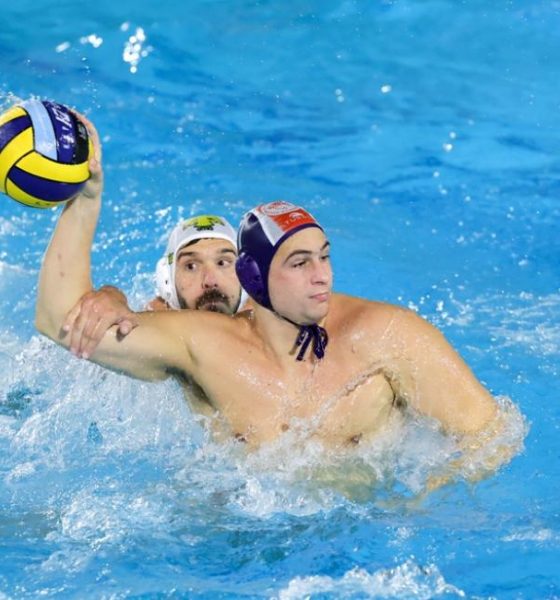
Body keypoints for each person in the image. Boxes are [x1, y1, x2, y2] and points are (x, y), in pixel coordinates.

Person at [35, 115, 503, 456]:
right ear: (254, 278)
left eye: (324, 257)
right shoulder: (204, 347)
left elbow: (491, 436)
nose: (322, 275)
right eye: (300, 263)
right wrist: (87, 201)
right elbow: (60, 319)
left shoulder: (386, 334)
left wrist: (423, 503)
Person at [63, 214, 246, 352]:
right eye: (191, 266)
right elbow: (65, 324)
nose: (210, 281)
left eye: (223, 263)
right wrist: (111, 297)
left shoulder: (260, 320)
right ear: (168, 281)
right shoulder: (160, 324)